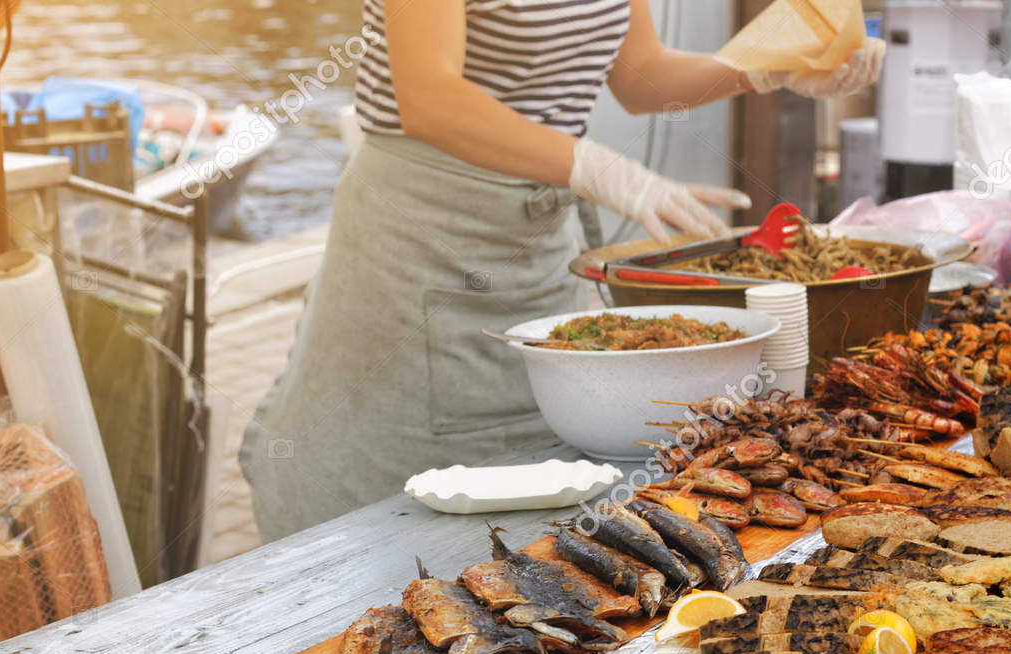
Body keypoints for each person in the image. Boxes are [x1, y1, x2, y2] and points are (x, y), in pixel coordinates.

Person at [241, 0, 883, 540]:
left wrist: (766, 72)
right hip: (419, 235)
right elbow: (429, 99)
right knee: (376, 487)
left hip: (536, 232)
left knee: (554, 473)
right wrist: (599, 168)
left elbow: (641, 75)